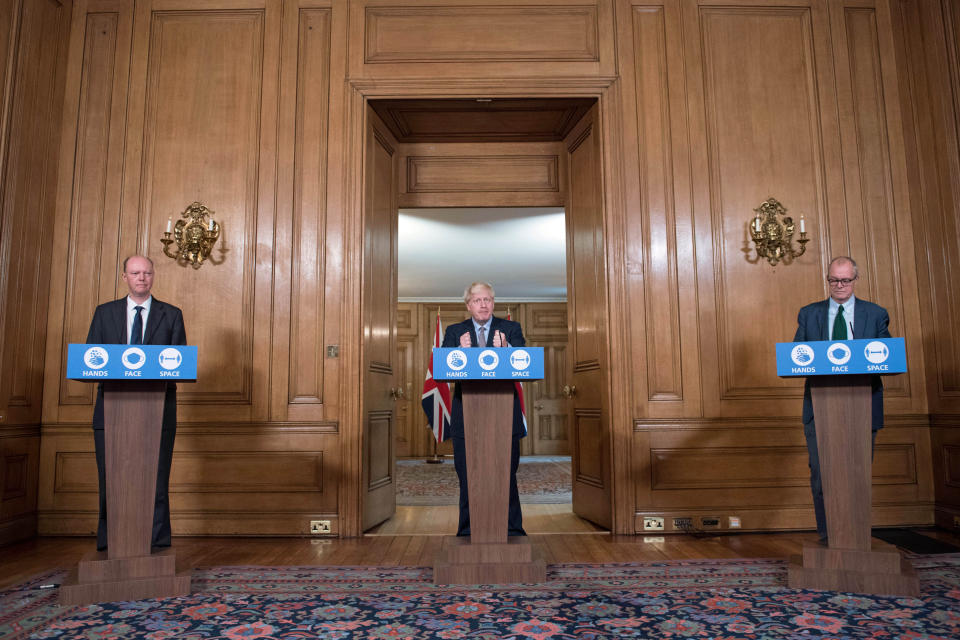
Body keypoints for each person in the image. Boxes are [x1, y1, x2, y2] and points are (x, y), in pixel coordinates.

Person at [86, 255, 187, 550]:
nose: (141, 278)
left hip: (158, 413)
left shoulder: (172, 315)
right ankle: (109, 542)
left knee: (155, 481)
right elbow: (92, 360)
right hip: (111, 412)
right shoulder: (104, 313)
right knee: (110, 481)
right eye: (135, 273)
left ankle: (156, 542)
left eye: (146, 273)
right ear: (124, 277)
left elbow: (179, 364)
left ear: (153, 276)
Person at [793, 256, 890, 544]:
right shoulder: (809, 314)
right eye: (834, 280)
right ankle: (828, 538)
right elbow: (798, 356)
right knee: (822, 476)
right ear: (828, 280)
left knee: (857, 476)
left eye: (845, 280)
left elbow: (887, 355)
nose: (839, 285)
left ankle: (857, 538)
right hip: (820, 410)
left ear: (855, 280)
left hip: (862, 407)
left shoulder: (875, 314)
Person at [442, 281, 527, 537]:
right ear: (468, 305)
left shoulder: (510, 329)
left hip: (504, 416)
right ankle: (468, 531)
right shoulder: (455, 331)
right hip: (466, 417)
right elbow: (443, 369)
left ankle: (512, 530)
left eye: (488, 299)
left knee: (506, 476)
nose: (484, 305)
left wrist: (507, 351)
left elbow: (523, 363)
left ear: (493, 303)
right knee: (468, 476)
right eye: (478, 300)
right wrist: (460, 352)